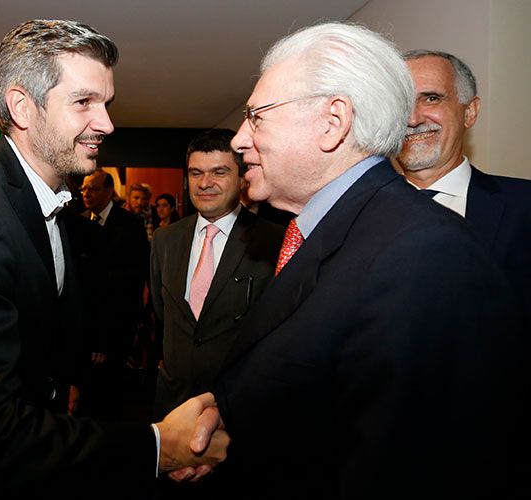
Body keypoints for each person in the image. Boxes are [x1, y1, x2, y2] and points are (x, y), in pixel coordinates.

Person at [198, 22, 524, 498]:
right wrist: (225, 414)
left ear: (334, 121)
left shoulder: (423, 253)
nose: (240, 139)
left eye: (256, 116)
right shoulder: (333, 230)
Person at [0, 19, 227, 498]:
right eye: (84, 102)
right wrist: (161, 445)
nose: (107, 123)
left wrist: (64, 384)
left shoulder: (48, 197)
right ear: (22, 106)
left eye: (105, 103)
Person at [151, 128, 283, 421]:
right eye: (195, 173)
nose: (205, 183)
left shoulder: (273, 242)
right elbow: (163, 314)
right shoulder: (165, 240)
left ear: (242, 177)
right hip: (172, 406)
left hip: (239, 408)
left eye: (219, 172)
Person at [396, 50, 531, 329]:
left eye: (431, 98)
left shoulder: (524, 206)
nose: (412, 118)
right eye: (400, 104)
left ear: (469, 112)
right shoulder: (354, 215)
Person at [79, 169, 150, 419]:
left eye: (93, 189)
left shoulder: (130, 224)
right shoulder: (79, 221)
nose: (86, 193)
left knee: (112, 390)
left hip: (117, 321)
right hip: (85, 321)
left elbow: (136, 274)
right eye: (84, 189)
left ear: (109, 192)